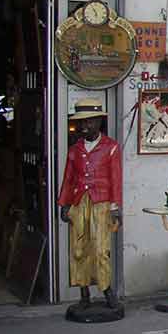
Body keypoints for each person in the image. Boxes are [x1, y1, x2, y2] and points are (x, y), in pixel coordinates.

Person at [58, 99, 122, 310]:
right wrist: (64, 204)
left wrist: (115, 207)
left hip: (101, 202)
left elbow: (115, 178)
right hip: (79, 201)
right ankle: (83, 291)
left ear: (98, 122)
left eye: (89, 122)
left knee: (101, 248)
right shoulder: (75, 149)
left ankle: (106, 290)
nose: (84, 127)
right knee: (78, 248)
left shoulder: (110, 147)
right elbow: (68, 178)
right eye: (80, 123)